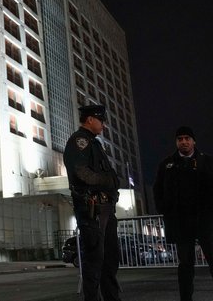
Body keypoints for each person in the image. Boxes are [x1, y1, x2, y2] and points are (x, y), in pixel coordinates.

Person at [153, 126, 213, 301]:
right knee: (185, 265)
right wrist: (164, 209)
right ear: (176, 142)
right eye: (180, 139)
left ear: (194, 141)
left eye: (187, 138)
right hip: (181, 223)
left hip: (206, 220)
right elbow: (157, 190)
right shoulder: (167, 165)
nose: (184, 142)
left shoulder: (208, 162)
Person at [63, 104, 121, 301]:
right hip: (92, 211)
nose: (103, 125)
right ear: (90, 120)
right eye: (101, 120)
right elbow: (81, 173)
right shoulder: (80, 141)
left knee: (110, 261)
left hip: (105, 209)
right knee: (94, 263)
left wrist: (112, 187)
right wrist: (107, 181)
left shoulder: (93, 143)